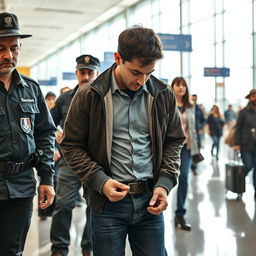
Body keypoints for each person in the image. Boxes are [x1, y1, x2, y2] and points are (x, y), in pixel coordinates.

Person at [60, 25, 185, 256]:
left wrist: (165, 184)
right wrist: (100, 180)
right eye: (136, 72)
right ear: (118, 58)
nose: (143, 80)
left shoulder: (162, 93)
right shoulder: (90, 94)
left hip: (151, 201)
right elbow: (71, 144)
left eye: (149, 73)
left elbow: (174, 140)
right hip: (107, 204)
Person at [0, 12, 56, 255]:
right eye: (1, 48)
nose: (8, 55)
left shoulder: (31, 89)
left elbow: (45, 133)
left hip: (21, 187)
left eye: (14, 48)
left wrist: (46, 177)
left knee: (13, 251)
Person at [50, 54, 100, 256]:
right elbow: (47, 124)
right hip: (68, 162)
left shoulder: (104, 99)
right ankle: (59, 249)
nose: (86, 76)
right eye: (82, 72)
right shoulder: (65, 99)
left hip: (95, 163)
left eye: (90, 73)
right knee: (63, 204)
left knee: (94, 207)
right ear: (76, 73)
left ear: (97, 74)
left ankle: (89, 247)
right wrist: (54, 140)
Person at [171, 77, 200, 231]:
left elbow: (193, 128)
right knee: (164, 177)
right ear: (173, 87)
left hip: (187, 148)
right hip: (169, 147)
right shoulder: (167, 104)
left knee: (184, 177)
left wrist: (196, 147)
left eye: (183, 85)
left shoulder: (191, 106)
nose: (181, 87)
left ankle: (180, 213)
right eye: (178, 84)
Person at [233, 89, 256, 199]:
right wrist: (236, 143)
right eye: (253, 96)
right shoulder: (243, 112)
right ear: (249, 98)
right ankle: (239, 184)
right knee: (248, 165)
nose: (255, 98)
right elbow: (238, 128)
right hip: (245, 144)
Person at [191, 94, 206, 175]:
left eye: (195, 99)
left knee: (196, 150)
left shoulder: (199, 110)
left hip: (197, 132)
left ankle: (194, 167)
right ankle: (189, 165)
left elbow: (203, 120)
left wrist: (201, 127)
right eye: (192, 99)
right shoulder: (187, 108)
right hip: (188, 134)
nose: (194, 101)